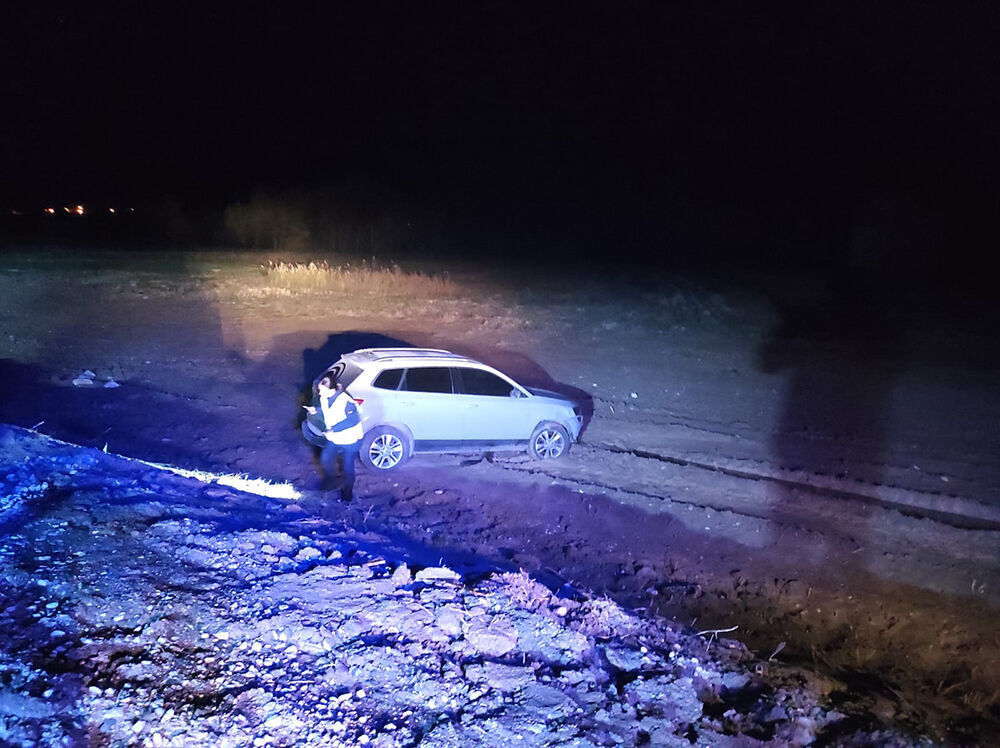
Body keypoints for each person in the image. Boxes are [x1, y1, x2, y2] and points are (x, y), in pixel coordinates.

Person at [302, 375, 363, 500]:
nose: (319, 393)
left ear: (332, 390)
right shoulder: (325, 398)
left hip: (350, 439)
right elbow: (327, 411)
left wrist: (333, 429)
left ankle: (347, 495)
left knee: (347, 466)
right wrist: (316, 410)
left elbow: (353, 420)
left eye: (321, 390)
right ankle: (335, 480)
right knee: (326, 458)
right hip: (335, 437)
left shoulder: (346, 401)